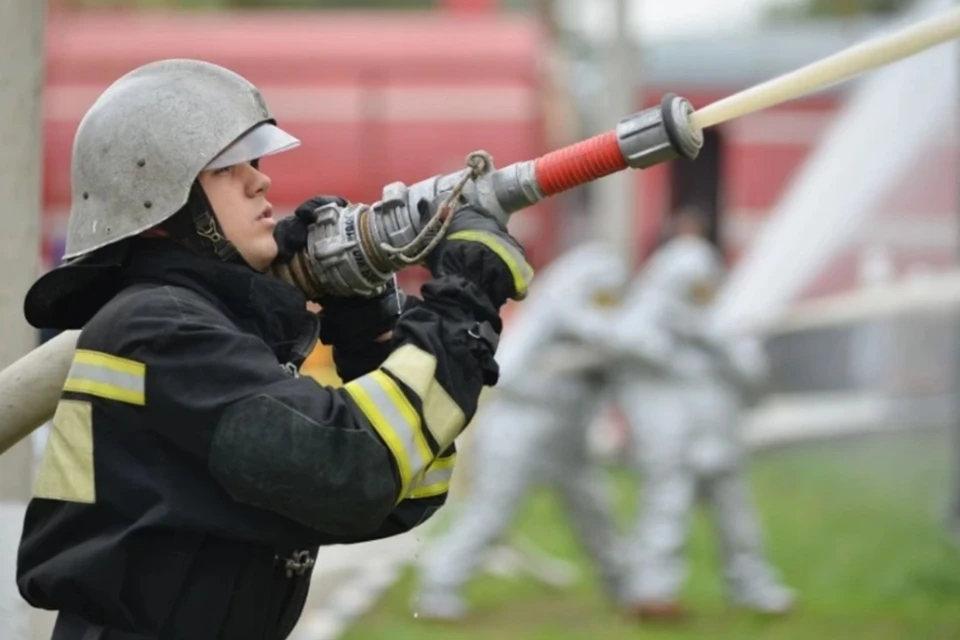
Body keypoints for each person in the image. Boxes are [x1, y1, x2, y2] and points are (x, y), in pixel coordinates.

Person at [16, 58, 533, 640]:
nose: (260, 181)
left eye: (254, 162)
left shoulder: (188, 327)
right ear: (161, 203)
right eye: (226, 169)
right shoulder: (157, 329)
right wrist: (462, 303)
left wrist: (371, 334)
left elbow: (399, 491)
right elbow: (350, 470)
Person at [415, 242, 628, 621]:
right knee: (491, 512)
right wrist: (571, 363)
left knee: (594, 508)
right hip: (521, 426)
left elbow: (615, 345)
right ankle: (439, 588)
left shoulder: (596, 318)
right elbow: (507, 373)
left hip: (568, 434)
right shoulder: (555, 311)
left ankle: (625, 586)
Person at [611, 208, 794, 620]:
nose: (695, 294)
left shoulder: (721, 323)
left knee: (738, 522)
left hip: (719, 438)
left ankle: (753, 586)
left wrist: (715, 342)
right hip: (673, 443)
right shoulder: (645, 323)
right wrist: (670, 345)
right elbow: (626, 345)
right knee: (664, 515)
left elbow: (752, 374)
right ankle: (653, 592)